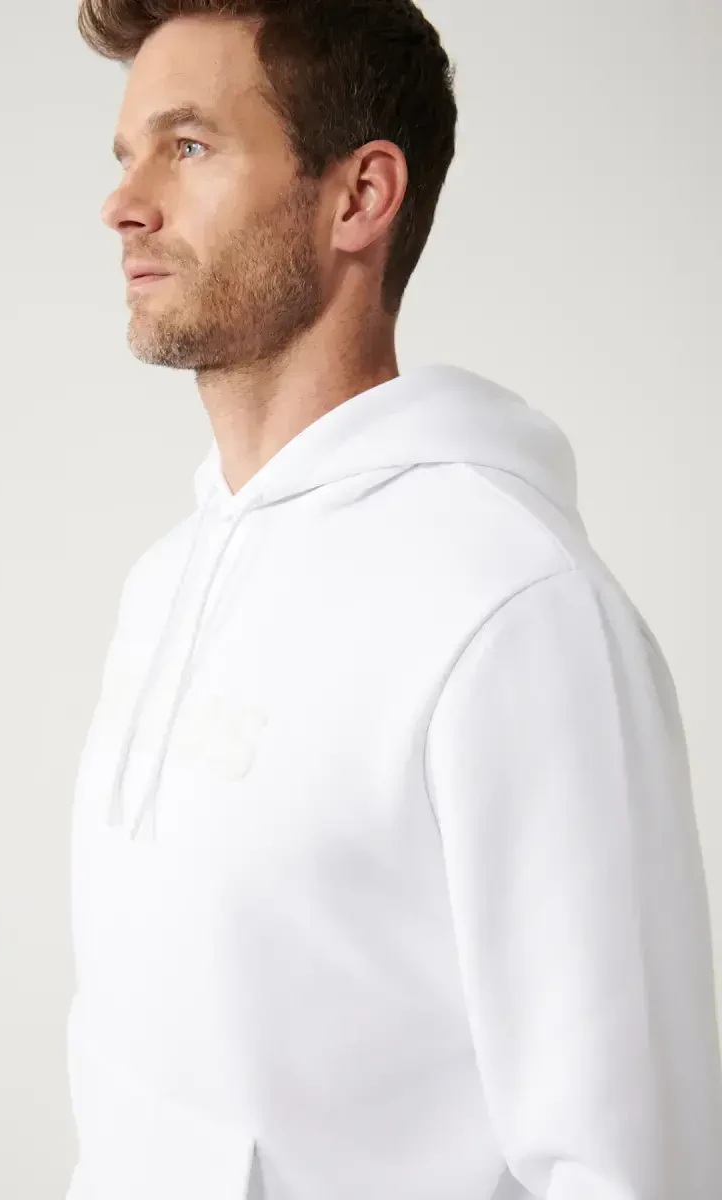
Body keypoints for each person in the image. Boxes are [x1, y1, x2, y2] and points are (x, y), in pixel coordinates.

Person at [66, 2, 722, 1198]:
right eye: (127, 155)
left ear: (359, 197)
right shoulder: (162, 585)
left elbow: (623, 1164)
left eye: (189, 145)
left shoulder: (510, 601)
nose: (124, 204)